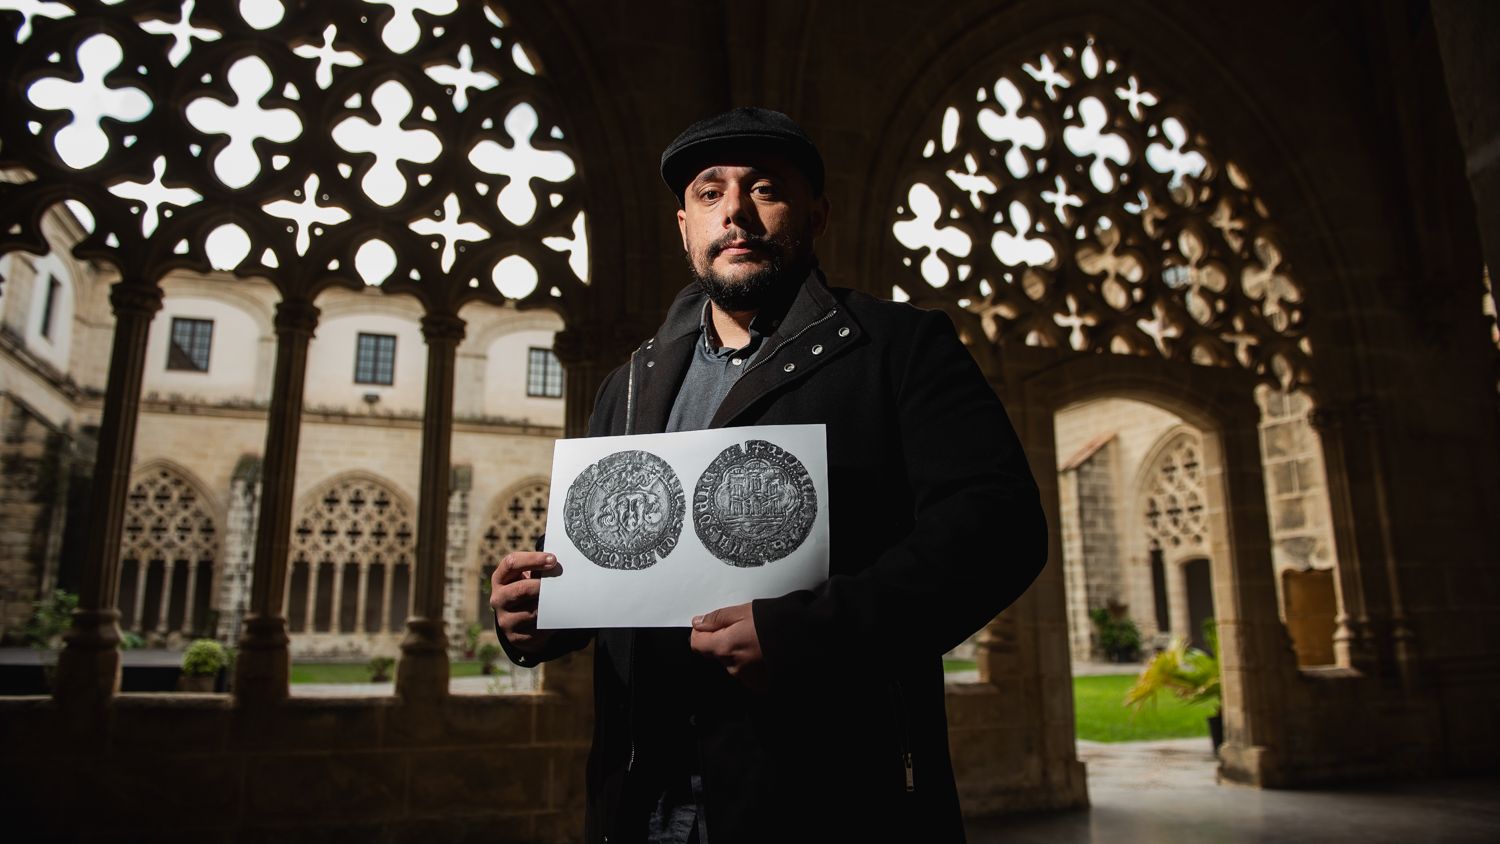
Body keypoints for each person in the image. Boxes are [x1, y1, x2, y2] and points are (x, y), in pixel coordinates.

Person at [491, 107, 1047, 843]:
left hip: (827, 798)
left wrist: (808, 634)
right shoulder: (627, 384)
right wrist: (535, 613)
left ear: (816, 213)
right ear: (683, 225)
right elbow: (606, 560)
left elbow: (999, 528)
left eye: (764, 189)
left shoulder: (898, 349)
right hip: (643, 799)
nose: (736, 214)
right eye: (710, 193)